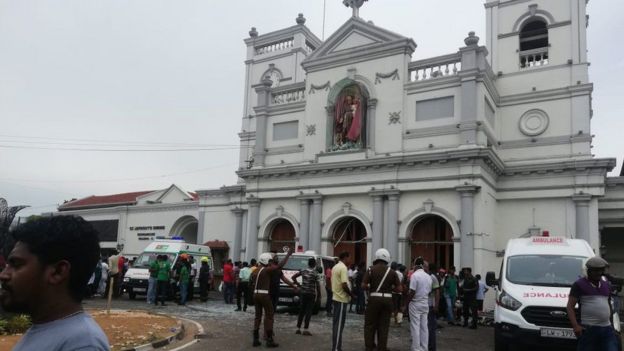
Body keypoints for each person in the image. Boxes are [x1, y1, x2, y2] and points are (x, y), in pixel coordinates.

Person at [0, 216, 109, 350]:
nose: (3, 275)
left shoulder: (81, 344)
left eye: (16, 264)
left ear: (58, 272)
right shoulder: (46, 327)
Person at [567, 256, 621, 351]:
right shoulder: (579, 285)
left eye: (601, 270)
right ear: (589, 271)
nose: (598, 273)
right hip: (588, 330)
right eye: (595, 270)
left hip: (607, 329)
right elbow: (570, 307)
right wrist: (576, 326)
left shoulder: (606, 285)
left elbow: (608, 306)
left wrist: (612, 327)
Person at [251, 249, 296, 347]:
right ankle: (269, 340)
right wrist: (288, 255)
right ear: (267, 261)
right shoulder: (267, 270)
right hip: (264, 295)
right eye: (270, 261)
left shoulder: (255, 270)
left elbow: (251, 283)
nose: (271, 263)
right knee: (269, 316)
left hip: (255, 294)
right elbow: (279, 266)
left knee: (258, 316)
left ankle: (255, 339)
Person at [362, 249, 401, 351]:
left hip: (374, 299)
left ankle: (369, 347)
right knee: (384, 326)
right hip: (387, 300)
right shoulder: (392, 272)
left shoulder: (371, 269)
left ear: (377, 257)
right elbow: (399, 289)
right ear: (387, 259)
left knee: (370, 324)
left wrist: (371, 287)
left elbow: (363, 285)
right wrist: (390, 288)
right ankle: (382, 347)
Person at [407, 257, 432, 351]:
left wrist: (406, 303)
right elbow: (429, 292)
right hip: (425, 304)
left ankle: (416, 348)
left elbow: (412, 291)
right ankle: (424, 348)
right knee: (424, 327)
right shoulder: (428, 276)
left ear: (415, 265)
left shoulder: (414, 275)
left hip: (415, 303)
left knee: (415, 326)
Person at [292, 257, 320, 335]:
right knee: (308, 312)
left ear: (308, 264)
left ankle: (298, 328)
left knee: (301, 311)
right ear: (314, 264)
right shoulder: (315, 273)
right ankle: (305, 329)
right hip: (311, 294)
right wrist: (319, 296)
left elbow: (293, 277)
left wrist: (298, 285)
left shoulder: (303, 270)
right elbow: (317, 286)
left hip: (303, 293)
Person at [332, 251, 352, 351]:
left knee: (336, 325)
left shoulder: (336, 266)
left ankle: (337, 347)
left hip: (336, 298)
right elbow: (344, 285)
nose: (350, 260)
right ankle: (336, 348)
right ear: (346, 257)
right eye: (349, 258)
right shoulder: (343, 268)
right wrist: (352, 295)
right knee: (339, 326)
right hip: (341, 299)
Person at [427, 262, 440, 351]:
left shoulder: (432, 278)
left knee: (431, 328)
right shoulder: (425, 277)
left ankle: (431, 347)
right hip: (425, 306)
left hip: (430, 306)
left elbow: (437, 292)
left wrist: (436, 305)